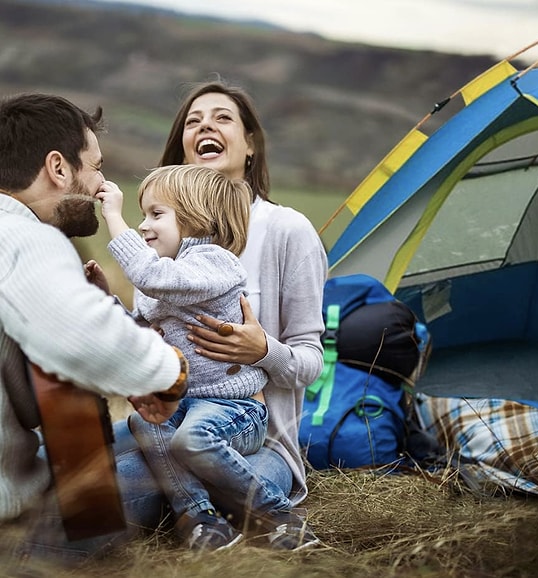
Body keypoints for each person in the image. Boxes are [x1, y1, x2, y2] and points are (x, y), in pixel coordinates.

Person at [122, 79, 329, 551]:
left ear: (250, 143)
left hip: (256, 433)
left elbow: (312, 363)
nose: (204, 127)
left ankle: (250, 521)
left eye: (221, 118)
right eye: (193, 122)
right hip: (174, 418)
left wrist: (264, 351)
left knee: (117, 489)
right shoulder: (165, 240)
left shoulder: (287, 230)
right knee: (73, 458)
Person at [0, 93, 190, 570]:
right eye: (96, 167)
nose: (102, 182)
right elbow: (79, 336)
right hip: (10, 530)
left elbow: (24, 393)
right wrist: (167, 373)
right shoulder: (25, 235)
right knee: (156, 465)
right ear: (58, 169)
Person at [94, 164, 269, 550]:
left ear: (198, 220)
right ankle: (200, 517)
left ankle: (277, 513)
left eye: (156, 214)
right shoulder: (167, 277)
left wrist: (112, 215)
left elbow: (150, 276)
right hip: (186, 405)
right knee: (143, 423)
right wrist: (106, 298)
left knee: (190, 439)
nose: (143, 225)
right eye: (143, 215)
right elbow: (140, 334)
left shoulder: (213, 262)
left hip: (232, 409)